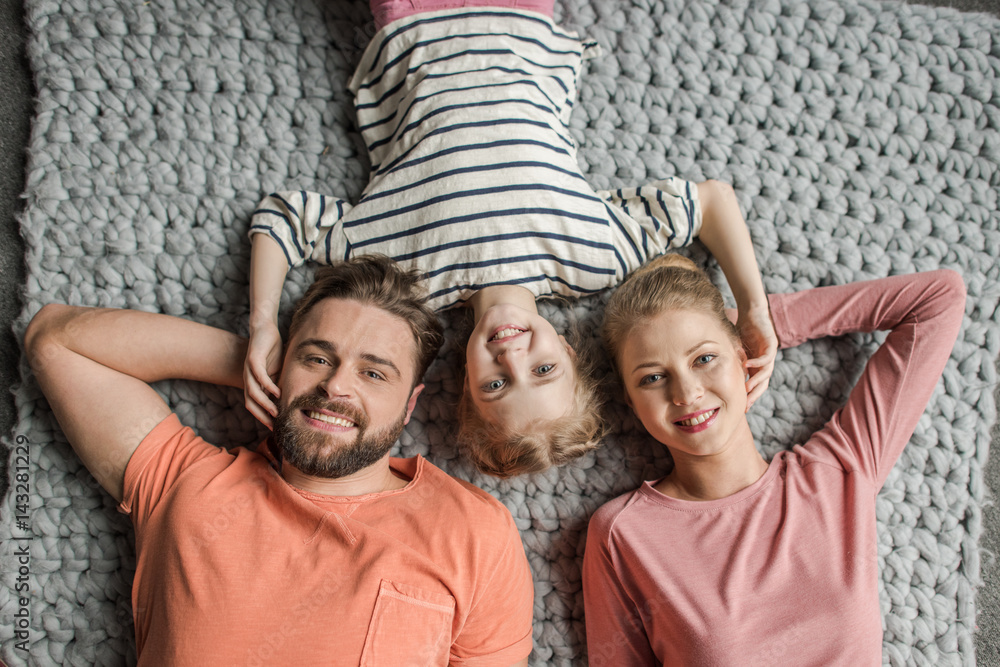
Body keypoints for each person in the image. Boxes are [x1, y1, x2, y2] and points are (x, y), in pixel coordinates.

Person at [244, 0, 778, 477]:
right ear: (569, 350)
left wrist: (264, 323)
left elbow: (282, 220)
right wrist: (754, 307)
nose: (512, 356)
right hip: (523, 19)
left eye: (495, 385)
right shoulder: (597, 258)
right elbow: (711, 201)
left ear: (468, 386)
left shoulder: (405, 282)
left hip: (413, 22)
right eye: (544, 370)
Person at [24, 255, 534, 666]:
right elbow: (55, 340)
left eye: (374, 374)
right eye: (317, 358)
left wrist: (303, 372)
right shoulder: (187, 483)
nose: (336, 385)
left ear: (410, 406)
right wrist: (258, 363)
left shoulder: (474, 532)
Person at [581, 254, 966, 665]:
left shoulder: (838, 472)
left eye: (704, 359)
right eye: (653, 377)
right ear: (631, 403)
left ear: (742, 359)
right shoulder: (622, 534)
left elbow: (937, 299)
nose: (686, 392)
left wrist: (764, 325)